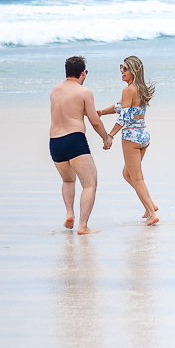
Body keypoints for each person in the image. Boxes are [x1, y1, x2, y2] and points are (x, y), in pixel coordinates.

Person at [49, 56, 113, 234]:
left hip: (55, 141)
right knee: (89, 184)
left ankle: (69, 213)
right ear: (83, 73)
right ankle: (83, 226)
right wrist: (106, 138)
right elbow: (95, 121)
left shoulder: (55, 90)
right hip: (74, 139)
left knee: (68, 180)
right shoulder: (84, 92)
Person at [99, 55, 158, 226]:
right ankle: (150, 204)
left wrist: (110, 136)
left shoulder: (128, 91)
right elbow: (119, 107)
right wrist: (101, 112)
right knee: (127, 174)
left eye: (125, 68)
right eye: (121, 67)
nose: (121, 71)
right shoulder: (140, 88)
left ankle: (151, 213)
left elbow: (124, 118)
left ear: (134, 71)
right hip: (143, 134)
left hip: (131, 136)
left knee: (137, 178)